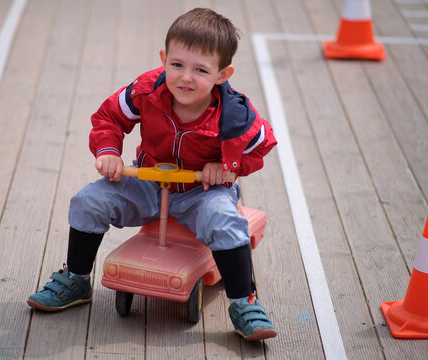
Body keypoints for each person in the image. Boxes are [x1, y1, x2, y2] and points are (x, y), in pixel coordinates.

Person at [28, 7, 278, 341]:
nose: (185, 77)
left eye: (200, 70)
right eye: (177, 65)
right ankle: (76, 279)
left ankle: (243, 301)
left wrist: (227, 167)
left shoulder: (234, 113)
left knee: (224, 220)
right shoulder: (147, 90)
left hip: (201, 190)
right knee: (90, 200)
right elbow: (109, 117)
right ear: (164, 59)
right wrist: (108, 152)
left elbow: (262, 143)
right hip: (148, 179)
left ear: (222, 74)